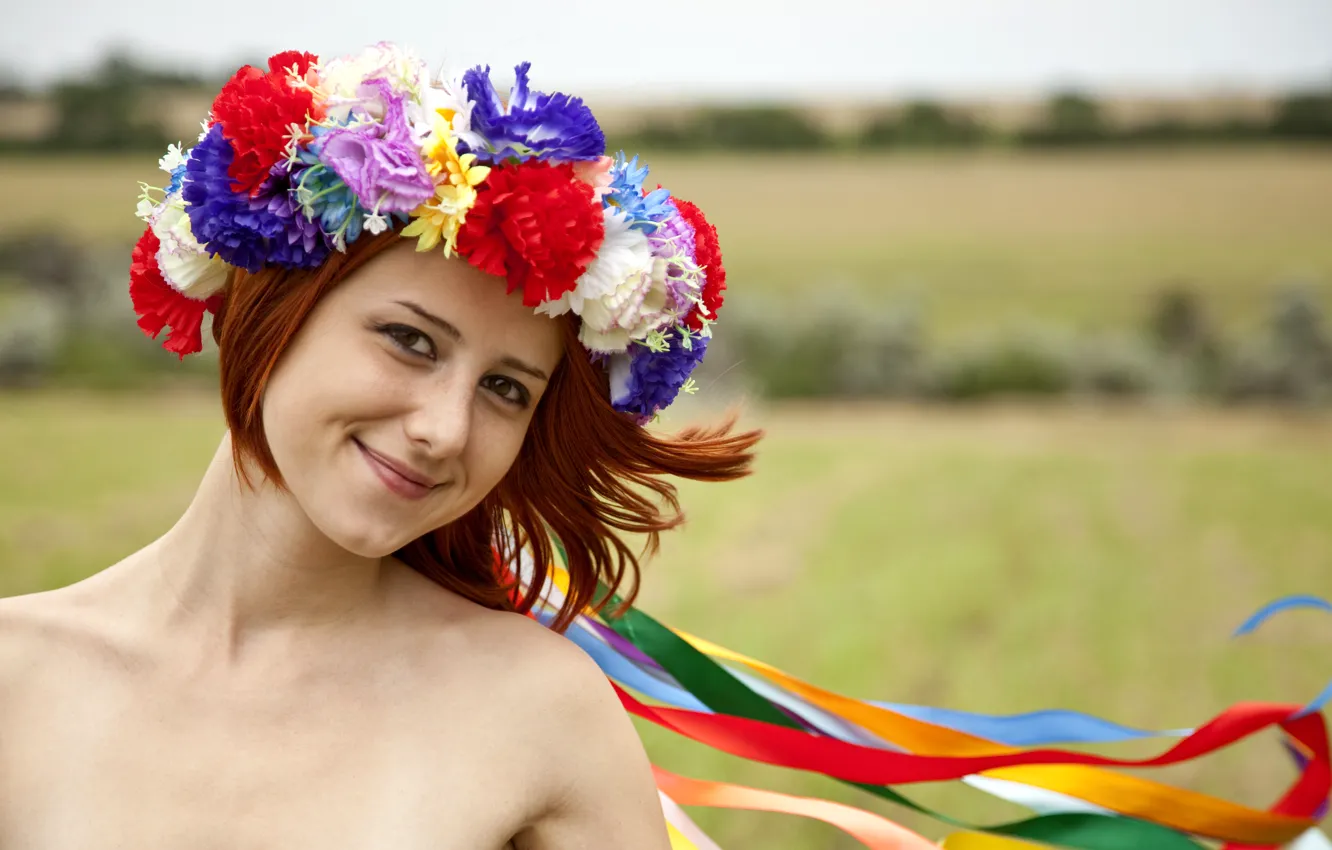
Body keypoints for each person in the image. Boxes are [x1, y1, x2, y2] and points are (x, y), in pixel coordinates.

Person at [1, 41, 1327, 850]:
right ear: (265, 306)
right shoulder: (18, 675)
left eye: (510, 389)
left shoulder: (531, 707)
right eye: (409, 340)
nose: (448, 426)